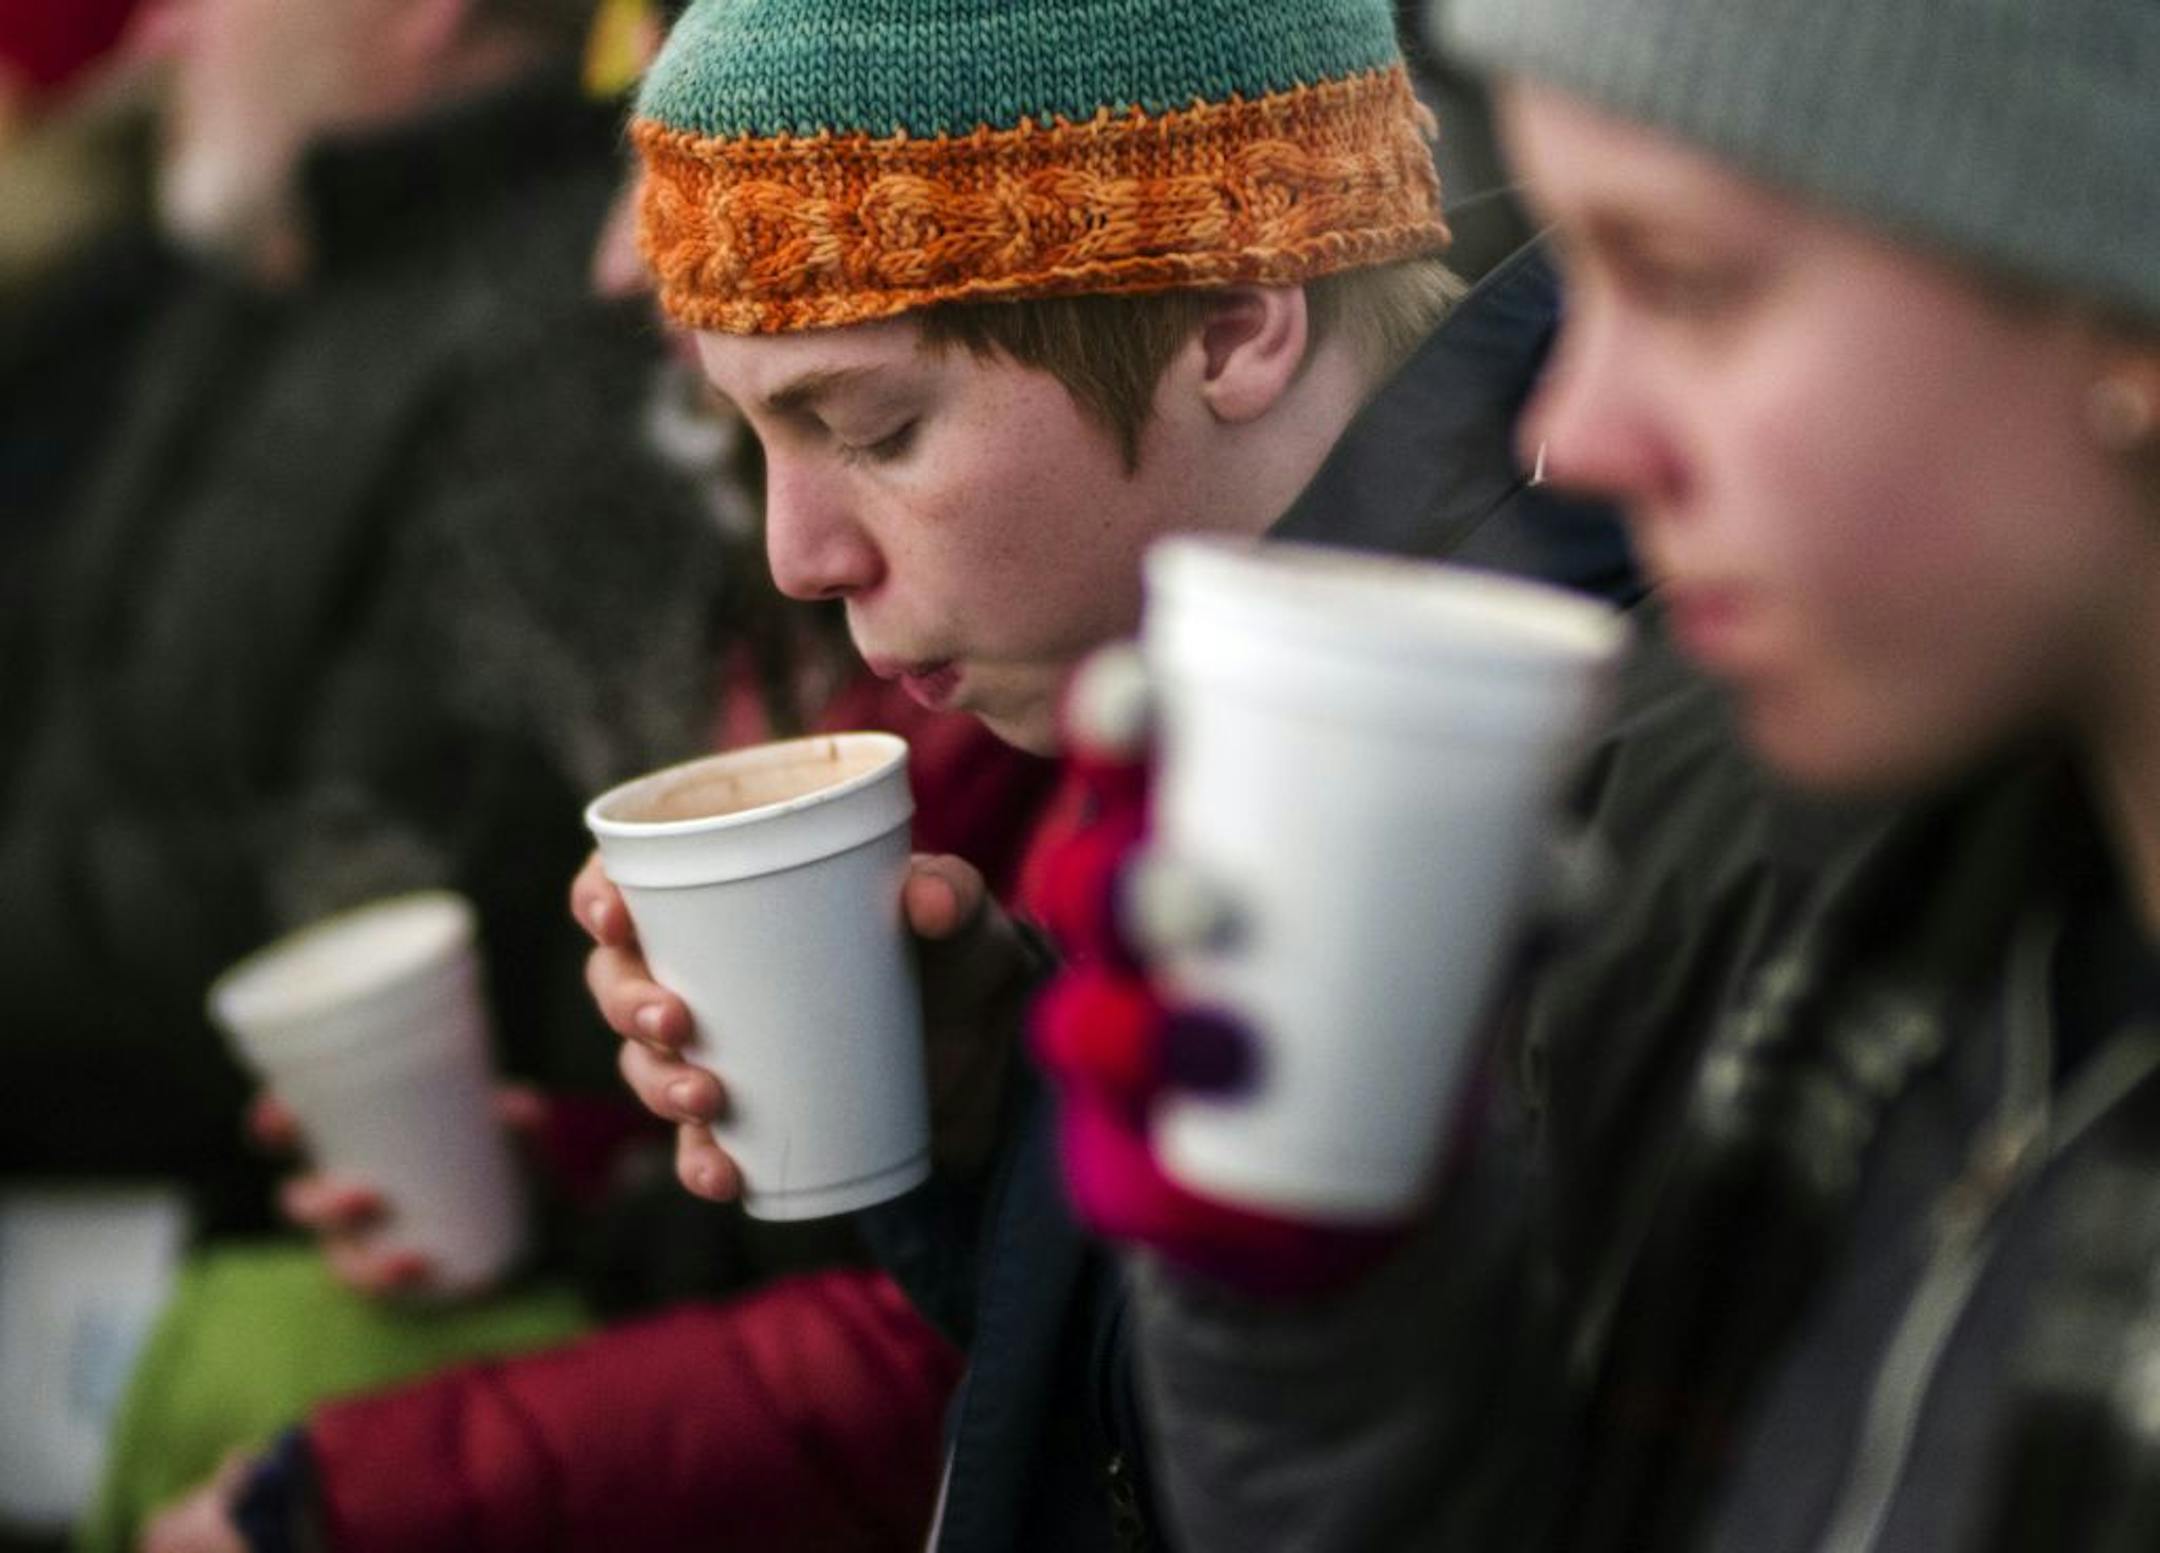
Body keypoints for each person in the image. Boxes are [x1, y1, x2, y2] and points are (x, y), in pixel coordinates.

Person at [1023, 0, 2160, 1548]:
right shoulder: (1866, 969)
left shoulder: (1763, 904)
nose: (1575, 427)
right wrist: (1328, 1320)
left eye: (1685, 283)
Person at [573, 0, 1638, 1544]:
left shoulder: (1555, 789)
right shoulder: (1181, 703)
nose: (797, 553)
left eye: (871, 427)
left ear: (1233, 318)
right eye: (755, 439)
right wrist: (1013, 1103)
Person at [0, 0, 733, 1231]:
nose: (156, 39)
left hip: (281, 1244)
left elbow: (375, 899)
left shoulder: (564, 323)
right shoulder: (260, 270)